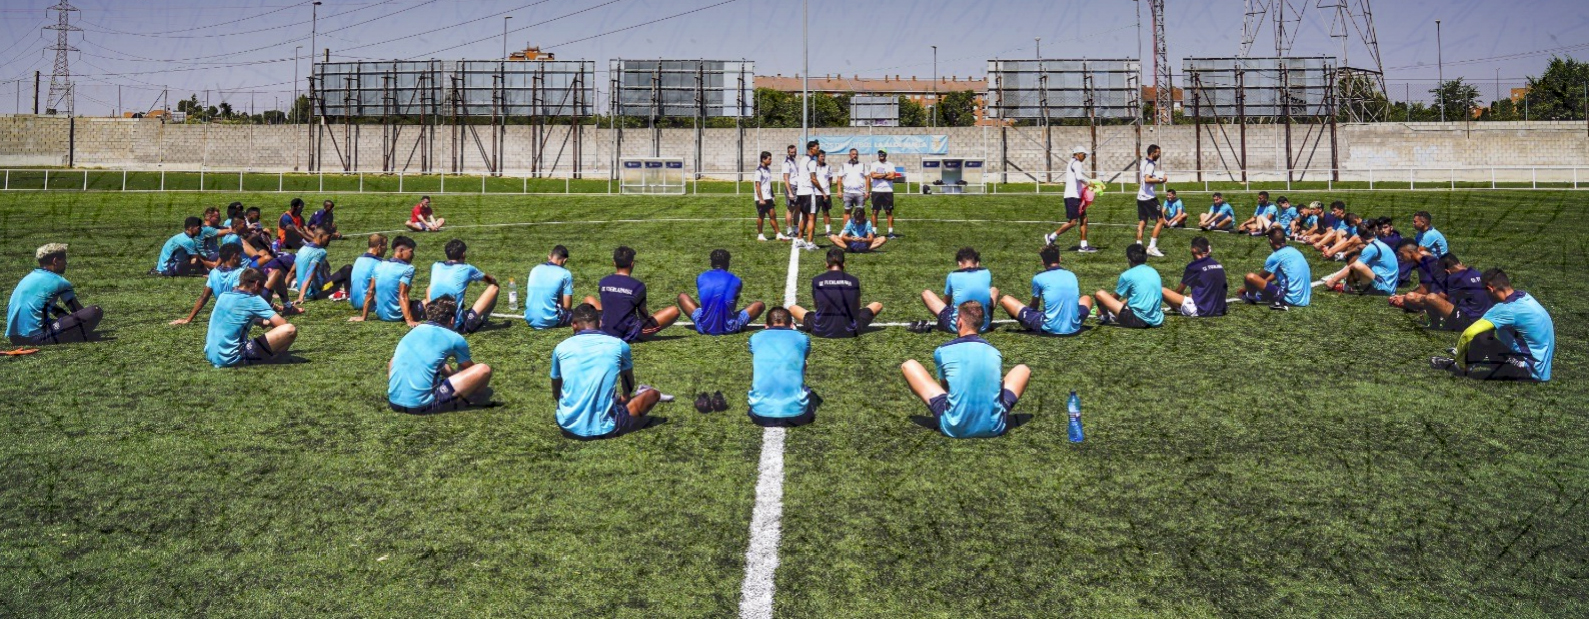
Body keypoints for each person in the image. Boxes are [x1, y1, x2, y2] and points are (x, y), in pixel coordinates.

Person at [900, 300, 1030, 439]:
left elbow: (946, 388)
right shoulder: (995, 352)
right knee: (1023, 369)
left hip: (954, 428)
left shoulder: (942, 351)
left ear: (959, 322)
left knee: (909, 365)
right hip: (994, 427)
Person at [551, 303, 667, 439]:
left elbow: (556, 389)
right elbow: (628, 382)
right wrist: (625, 397)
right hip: (606, 429)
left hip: (567, 426)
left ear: (574, 324)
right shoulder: (619, 345)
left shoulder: (561, 348)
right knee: (652, 394)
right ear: (600, 323)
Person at [1431, 269, 1554, 381]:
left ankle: (1460, 366)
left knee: (1482, 335)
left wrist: (1460, 359)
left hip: (1527, 372)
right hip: (1542, 369)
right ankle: (1470, 360)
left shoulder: (1505, 309)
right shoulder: (1525, 297)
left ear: (1490, 289)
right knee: (1490, 332)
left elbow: (1468, 334)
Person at [387, 296, 494, 413]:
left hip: (394, 403)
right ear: (452, 320)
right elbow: (468, 369)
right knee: (483, 370)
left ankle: (401, 393)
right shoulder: (455, 338)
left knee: (395, 360)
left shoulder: (416, 329)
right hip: (423, 406)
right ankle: (473, 398)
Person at [6, 243, 103, 345]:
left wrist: (66, 320)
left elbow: (46, 305)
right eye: (64, 259)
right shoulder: (59, 281)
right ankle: (79, 336)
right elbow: (77, 311)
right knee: (95, 311)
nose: (66, 263)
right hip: (36, 337)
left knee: (64, 320)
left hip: (15, 339)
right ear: (55, 261)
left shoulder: (28, 278)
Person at [204, 268, 297, 368]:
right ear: (257, 284)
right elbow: (283, 325)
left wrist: (259, 321)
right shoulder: (254, 299)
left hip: (212, 356)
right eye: (262, 287)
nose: (262, 291)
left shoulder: (224, 296)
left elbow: (234, 317)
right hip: (233, 358)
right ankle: (275, 357)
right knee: (290, 330)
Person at [589, 246, 680, 342]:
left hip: (605, 330)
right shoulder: (638, 286)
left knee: (589, 299)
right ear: (632, 264)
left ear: (614, 263)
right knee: (674, 311)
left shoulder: (603, 282)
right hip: (629, 333)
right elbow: (643, 314)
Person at [1000, 243, 1092, 336]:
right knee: (1086, 299)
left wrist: (1030, 314)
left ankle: (1029, 327)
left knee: (1005, 299)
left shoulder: (1039, 277)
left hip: (1049, 328)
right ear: (1060, 258)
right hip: (1074, 327)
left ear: (1043, 262)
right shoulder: (1071, 275)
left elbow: (1034, 305)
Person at [790, 248, 883, 338]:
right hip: (851, 330)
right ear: (844, 264)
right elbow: (857, 306)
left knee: (792, 308)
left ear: (827, 264)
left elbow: (816, 306)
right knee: (877, 305)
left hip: (821, 329)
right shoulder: (854, 280)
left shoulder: (817, 280)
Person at [747, 307, 814, 427]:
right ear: (792, 325)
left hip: (759, 415)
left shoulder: (755, 338)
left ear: (766, 325)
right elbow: (803, 357)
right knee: (803, 363)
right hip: (798, 416)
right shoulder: (803, 339)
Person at [677, 249, 764, 336]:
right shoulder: (736, 280)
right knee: (760, 305)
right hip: (730, 327)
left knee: (682, 296)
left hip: (704, 327)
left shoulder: (701, 277)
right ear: (727, 263)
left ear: (711, 263)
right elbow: (732, 305)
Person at [1400, 252, 1492, 331]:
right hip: (1485, 320)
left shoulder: (1454, 278)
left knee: (1430, 298)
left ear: (1447, 271)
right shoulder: (1478, 274)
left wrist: (1408, 300)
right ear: (1460, 263)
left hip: (1469, 322)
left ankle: (1434, 323)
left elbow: (1440, 298)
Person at [917, 247, 999, 333]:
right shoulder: (986, 272)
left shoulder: (953, 275)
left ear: (960, 263)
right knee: (994, 290)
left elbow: (946, 302)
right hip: (982, 327)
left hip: (957, 327)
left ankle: (949, 323)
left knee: (926, 293)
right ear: (977, 263)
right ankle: (988, 321)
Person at [427, 239, 500, 334]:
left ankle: (430, 314)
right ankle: (483, 319)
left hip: (435, 322)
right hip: (456, 326)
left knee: (430, 287)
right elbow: (489, 279)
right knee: (494, 287)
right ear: (463, 254)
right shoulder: (467, 268)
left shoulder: (436, 265)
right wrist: (493, 280)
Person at [352, 235, 421, 326]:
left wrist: (363, 317)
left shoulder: (379, 265)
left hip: (381, 315)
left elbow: (370, 292)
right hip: (397, 316)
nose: (413, 255)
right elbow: (402, 295)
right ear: (401, 250)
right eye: (411, 251)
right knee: (425, 304)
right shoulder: (408, 268)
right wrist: (409, 320)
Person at [172, 242, 245, 325]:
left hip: (222, 313)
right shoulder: (240, 272)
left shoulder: (214, 272)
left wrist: (188, 319)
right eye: (240, 255)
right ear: (234, 256)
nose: (241, 259)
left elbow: (204, 297)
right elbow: (236, 297)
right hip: (237, 314)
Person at [1093, 244, 1164, 328]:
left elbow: (1114, 299)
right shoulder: (1153, 271)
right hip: (1157, 320)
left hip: (1137, 321)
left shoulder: (1127, 275)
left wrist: (1102, 309)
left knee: (1099, 294)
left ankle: (1105, 317)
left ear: (1129, 259)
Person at [1320, 220, 1397, 295]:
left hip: (1384, 288)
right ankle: (1347, 283)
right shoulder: (1378, 243)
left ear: (1360, 237)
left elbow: (1355, 266)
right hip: (1389, 284)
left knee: (1357, 265)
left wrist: (1333, 280)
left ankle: (1344, 286)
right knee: (1359, 262)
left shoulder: (1371, 248)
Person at [1043, 146, 1097, 252]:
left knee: (1084, 219)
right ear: (1078, 154)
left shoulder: (1072, 162)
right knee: (1073, 222)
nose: (1085, 156)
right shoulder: (1077, 163)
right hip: (1073, 196)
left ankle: (1084, 245)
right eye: (1084, 154)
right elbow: (1079, 177)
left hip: (1075, 196)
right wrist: (1089, 183)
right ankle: (1052, 237)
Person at [1242, 228, 1312, 310]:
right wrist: (1264, 284)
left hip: (1289, 299)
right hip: (1304, 300)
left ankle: (1251, 297)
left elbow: (1261, 277)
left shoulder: (1276, 256)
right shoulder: (1295, 251)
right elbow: (1280, 273)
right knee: (1276, 283)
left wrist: (1243, 289)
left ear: (1271, 241)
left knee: (1250, 277)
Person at [1161, 236, 1228, 318]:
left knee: (1160, 290)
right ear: (1207, 249)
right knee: (1191, 295)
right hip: (1220, 310)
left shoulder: (1194, 266)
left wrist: (1171, 298)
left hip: (1201, 311)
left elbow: (1179, 291)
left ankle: (1175, 308)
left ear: (1193, 250)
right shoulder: (1217, 264)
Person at [293, 227, 355, 304]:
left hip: (303, 289)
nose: (329, 241)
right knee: (348, 269)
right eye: (328, 238)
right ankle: (347, 293)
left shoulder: (302, 248)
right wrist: (301, 297)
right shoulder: (321, 252)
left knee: (325, 266)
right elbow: (310, 274)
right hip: (316, 292)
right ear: (320, 236)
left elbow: (292, 272)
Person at [524, 245, 575, 329]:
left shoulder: (535, 269)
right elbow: (567, 306)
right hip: (550, 321)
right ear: (565, 260)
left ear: (550, 257)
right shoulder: (565, 274)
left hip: (529, 319)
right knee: (583, 314)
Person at [1134, 144, 1168, 257]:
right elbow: (1147, 179)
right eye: (1158, 152)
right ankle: (1152, 247)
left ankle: (1138, 247)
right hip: (1149, 198)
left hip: (1141, 197)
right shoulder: (1149, 164)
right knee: (1161, 220)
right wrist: (1161, 180)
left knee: (1143, 221)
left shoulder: (1144, 162)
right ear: (1152, 153)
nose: (1159, 154)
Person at [348, 234, 388, 311]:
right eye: (385, 246)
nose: (386, 249)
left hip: (354, 303)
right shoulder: (380, 263)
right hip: (369, 305)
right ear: (379, 247)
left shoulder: (358, 260)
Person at [797, 141, 823, 250]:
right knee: (812, 217)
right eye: (817, 148)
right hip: (808, 192)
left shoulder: (803, 160)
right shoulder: (812, 162)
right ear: (811, 149)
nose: (818, 150)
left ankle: (799, 240)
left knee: (804, 217)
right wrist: (822, 191)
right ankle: (810, 242)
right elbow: (813, 179)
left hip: (800, 192)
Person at [869, 149, 900, 238]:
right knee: (875, 211)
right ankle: (874, 232)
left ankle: (890, 232)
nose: (881, 155)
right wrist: (886, 174)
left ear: (886, 154)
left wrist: (879, 175)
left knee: (888, 211)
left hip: (888, 191)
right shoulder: (874, 164)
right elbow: (873, 176)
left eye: (882, 153)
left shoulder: (890, 165)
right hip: (876, 191)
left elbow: (893, 176)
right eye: (879, 153)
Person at [839, 148, 870, 219]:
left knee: (861, 212)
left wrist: (867, 191)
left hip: (860, 193)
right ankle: (846, 229)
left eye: (856, 154)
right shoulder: (844, 166)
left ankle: (861, 230)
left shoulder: (862, 165)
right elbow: (839, 178)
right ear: (849, 155)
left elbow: (867, 178)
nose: (855, 156)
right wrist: (839, 191)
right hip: (847, 193)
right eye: (853, 154)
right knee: (847, 212)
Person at [754, 151, 776, 242]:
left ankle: (778, 234)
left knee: (773, 215)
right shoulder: (759, 171)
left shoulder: (768, 170)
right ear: (763, 159)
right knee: (761, 216)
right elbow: (757, 185)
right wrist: (761, 199)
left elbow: (769, 184)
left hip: (768, 197)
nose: (771, 161)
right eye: (769, 159)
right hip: (761, 198)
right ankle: (760, 234)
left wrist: (772, 194)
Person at [779, 144, 799, 241]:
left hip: (797, 186)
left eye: (794, 152)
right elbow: (786, 178)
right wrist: (790, 192)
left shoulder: (793, 161)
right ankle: (789, 230)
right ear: (788, 152)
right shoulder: (786, 163)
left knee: (798, 208)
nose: (793, 154)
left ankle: (796, 228)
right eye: (791, 152)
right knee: (790, 209)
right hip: (791, 187)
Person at [815, 149, 836, 235]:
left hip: (826, 194)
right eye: (821, 156)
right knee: (814, 213)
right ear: (817, 157)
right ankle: (812, 229)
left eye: (824, 156)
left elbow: (830, 178)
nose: (823, 158)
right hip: (816, 193)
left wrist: (827, 189)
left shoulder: (828, 167)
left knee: (826, 212)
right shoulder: (814, 167)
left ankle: (828, 230)